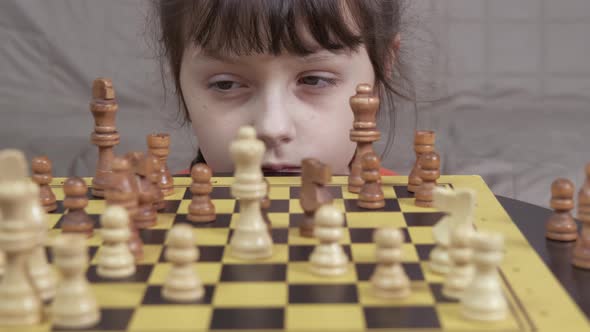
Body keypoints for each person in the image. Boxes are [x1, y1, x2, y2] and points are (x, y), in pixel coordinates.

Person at [151, 0, 412, 175]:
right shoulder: (144, 227)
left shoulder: (431, 225)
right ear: (177, 78)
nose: (272, 128)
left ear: (382, 69)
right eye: (225, 84)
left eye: (314, 80)